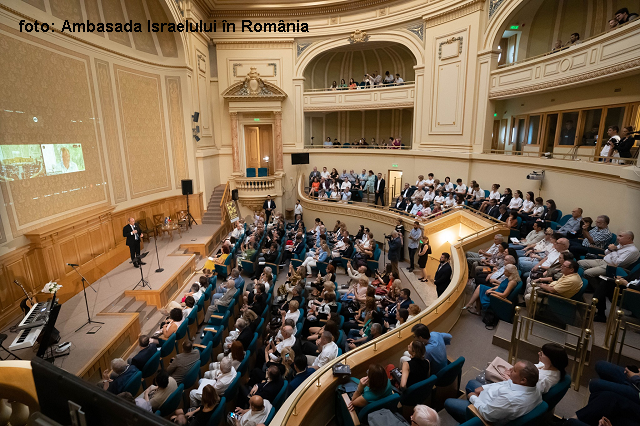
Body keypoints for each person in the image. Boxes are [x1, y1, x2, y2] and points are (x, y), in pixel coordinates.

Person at [446, 361, 542, 424]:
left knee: (448, 402)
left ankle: (470, 420)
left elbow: (487, 414)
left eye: (514, 370)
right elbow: (505, 384)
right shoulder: (532, 385)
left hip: (485, 412)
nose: (510, 369)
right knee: (471, 384)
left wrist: (473, 398)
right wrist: (484, 387)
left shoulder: (510, 399)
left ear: (523, 380)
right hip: (493, 399)